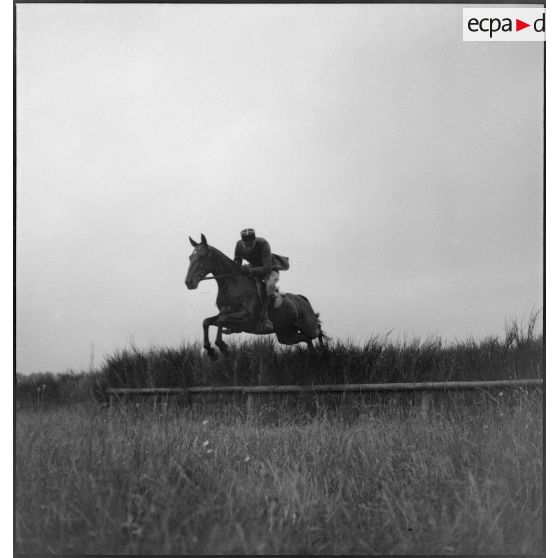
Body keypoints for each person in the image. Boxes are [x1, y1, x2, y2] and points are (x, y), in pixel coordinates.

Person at [234, 228, 289, 332]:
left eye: (251, 244)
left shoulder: (263, 243)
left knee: (269, 287)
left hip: (270, 268)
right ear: (243, 243)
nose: (248, 247)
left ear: (254, 240)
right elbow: (237, 261)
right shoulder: (239, 245)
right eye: (246, 244)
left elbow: (266, 268)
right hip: (254, 267)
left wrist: (249, 271)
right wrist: (237, 268)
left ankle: (266, 319)